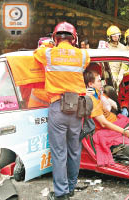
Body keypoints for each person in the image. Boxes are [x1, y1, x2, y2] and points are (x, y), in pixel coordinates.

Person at [34, 21, 90, 200]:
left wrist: (48, 44)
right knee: (74, 150)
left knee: (59, 153)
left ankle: (61, 193)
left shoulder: (48, 53)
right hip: (76, 109)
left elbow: (37, 53)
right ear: (74, 38)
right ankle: (71, 187)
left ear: (55, 37)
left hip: (58, 108)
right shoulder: (82, 55)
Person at [83, 69, 129, 166]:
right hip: (109, 129)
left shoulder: (97, 94)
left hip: (117, 121)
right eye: (98, 81)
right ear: (90, 84)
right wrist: (123, 131)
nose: (102, 83)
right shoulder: (92, 100)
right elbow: (103, 123)